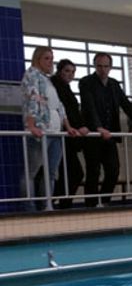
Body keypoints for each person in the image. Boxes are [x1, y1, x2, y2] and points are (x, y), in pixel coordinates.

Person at [79, 52, 132, 206]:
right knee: (93, 172)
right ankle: (91, 205)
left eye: (106, 66)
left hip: (110, 135)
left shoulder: (114, 84)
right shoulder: (86, 82)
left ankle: (104, 201)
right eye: (99, 66)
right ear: (95, 66)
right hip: (93, 136)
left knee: (114, 170)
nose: (102, 69)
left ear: (110, 67)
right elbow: (89, 106)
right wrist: (98, 127)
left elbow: (127, 106)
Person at [20, 47, 79, 211]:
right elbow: (31, 101)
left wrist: (67, 126)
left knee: (51, 172)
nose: (50, 62)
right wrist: (31, 125)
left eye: (51, 59)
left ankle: (47, 204)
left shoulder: (48, 80)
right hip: (40, 130)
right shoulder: (31, 75)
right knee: (31, 171)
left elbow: (58, 105)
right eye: (47, 58)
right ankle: (29, 207)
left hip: (55, 131)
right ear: (37, 59)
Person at [50, 58, 89, 208]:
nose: (70, 74)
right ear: (59, 71)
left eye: (73, 72)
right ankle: (52, 202)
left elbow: (73, 111)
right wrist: (73, 127)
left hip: (68, 136)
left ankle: (61, 203)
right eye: (67, 71)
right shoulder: (56, 87)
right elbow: (63, 111)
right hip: (60, 136)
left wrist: (81, 126)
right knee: (74, 172)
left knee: (71, 173)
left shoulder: (66, 88)